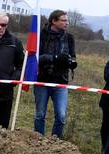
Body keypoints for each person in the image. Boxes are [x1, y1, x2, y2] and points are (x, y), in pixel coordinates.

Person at [34, 9, 76, 137]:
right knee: (40, 114)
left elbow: (73, 56)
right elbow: (35, 58)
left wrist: (71, 62)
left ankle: (55, 143)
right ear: (54, 21)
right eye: (63, 20)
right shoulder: (41, 35)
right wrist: (55, 58)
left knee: (61, 115)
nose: (66, 23)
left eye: (67, 20)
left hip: (61, 81)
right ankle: (38, 140)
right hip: (42, 79)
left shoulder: (69, 38)